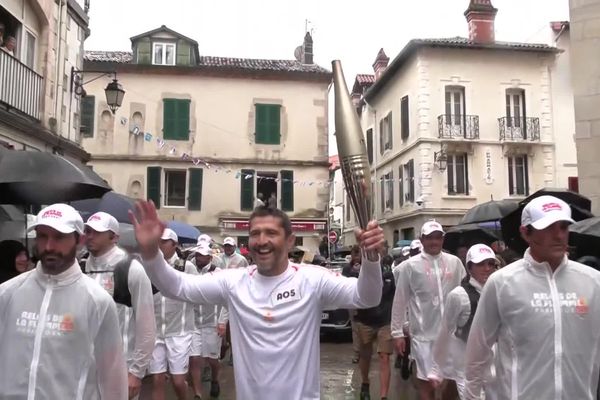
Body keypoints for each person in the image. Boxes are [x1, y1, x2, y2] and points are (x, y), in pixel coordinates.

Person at [130, 201, 384, 400]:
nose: (262, 241)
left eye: (271, 233)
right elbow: (178, 286)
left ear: (290, 241)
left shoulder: (312, 280)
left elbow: (367, 296)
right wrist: (151, 254)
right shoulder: (234, 282)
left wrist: (371, 258)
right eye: (255, 233)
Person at [464, 195, 600, 400]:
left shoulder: (593, 281)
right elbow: (477, 352)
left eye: (563, 227)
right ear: (526, 232)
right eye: (548, 228)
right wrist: (472, 397)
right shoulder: (502, 283)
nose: (558, 235)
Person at [0, 204, 127, 399]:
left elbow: (112, 380)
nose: (49, 246)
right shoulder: (7, 293)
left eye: (59, 237)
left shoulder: (97, 302)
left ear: (80, 240)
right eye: (42, 236)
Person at [83, 211, 156, 399]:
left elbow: (147, 325)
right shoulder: (80, 268)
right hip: (85, 369)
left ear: (114, 237)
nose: (90, 236)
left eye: (97, 232)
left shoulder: (131, 269)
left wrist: (137, 372)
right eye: (88, 231)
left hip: (120, 368)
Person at [391, 221, 466, 400]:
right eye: (429, 238)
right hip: (424, 336)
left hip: (452, 335)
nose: (434, 242)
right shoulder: (409, 266)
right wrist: (397, 332)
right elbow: (400, 299)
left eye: (437, 238)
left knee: (454, 379)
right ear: (422, 239)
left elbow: (466, 292)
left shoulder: (454, 263)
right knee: (426, 383)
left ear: (443, 239)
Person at [429, 244, 497, 399]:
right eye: (481, 264)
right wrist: (436, 369)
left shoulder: (499, 291)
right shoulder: (458, 296)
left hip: (495, 370)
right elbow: (445, 331)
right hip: (467, 370)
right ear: (469, 267)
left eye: (490, 264)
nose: (487, 268)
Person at [149, 228, 197, 400]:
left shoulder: (187, 267)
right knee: (157, 379)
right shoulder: (150, 267)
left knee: (178, 381)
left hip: (180, 331)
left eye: (163, 242)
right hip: (156, 331)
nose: (159, 246)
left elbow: (197, 293)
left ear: (174, 244)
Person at [354, 254, 396, 400]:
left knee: (384, 357)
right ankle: (365, 383)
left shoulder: (389, 274)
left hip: (385, 322)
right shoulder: (359, 273)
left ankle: (384, 396)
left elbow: (395, 296)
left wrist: (398, 320)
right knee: (365, 355)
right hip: (365, 320)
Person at [189, 243, 228, 400]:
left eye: (203, 256)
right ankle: (198, 393)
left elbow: (227, 299)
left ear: (210, 258)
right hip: (194, 322)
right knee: (195, 359)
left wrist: (222, 322)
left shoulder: (217, 273)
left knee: (212, 359)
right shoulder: (191, 271)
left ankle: (214, 379)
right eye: (197, 255)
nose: (199, 258)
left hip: (212, 322)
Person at [342, 245, 362, 364]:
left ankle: (366, 351)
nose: (356, 257)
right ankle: (357, 353)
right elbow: (344, 283)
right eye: (354, 255)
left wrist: (361, 271)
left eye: (358, 254)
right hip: (353, 301)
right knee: (355, 328)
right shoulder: (347, 268)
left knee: (365, 327)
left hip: (365, 301)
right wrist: (353, 272)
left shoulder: (366, 266)